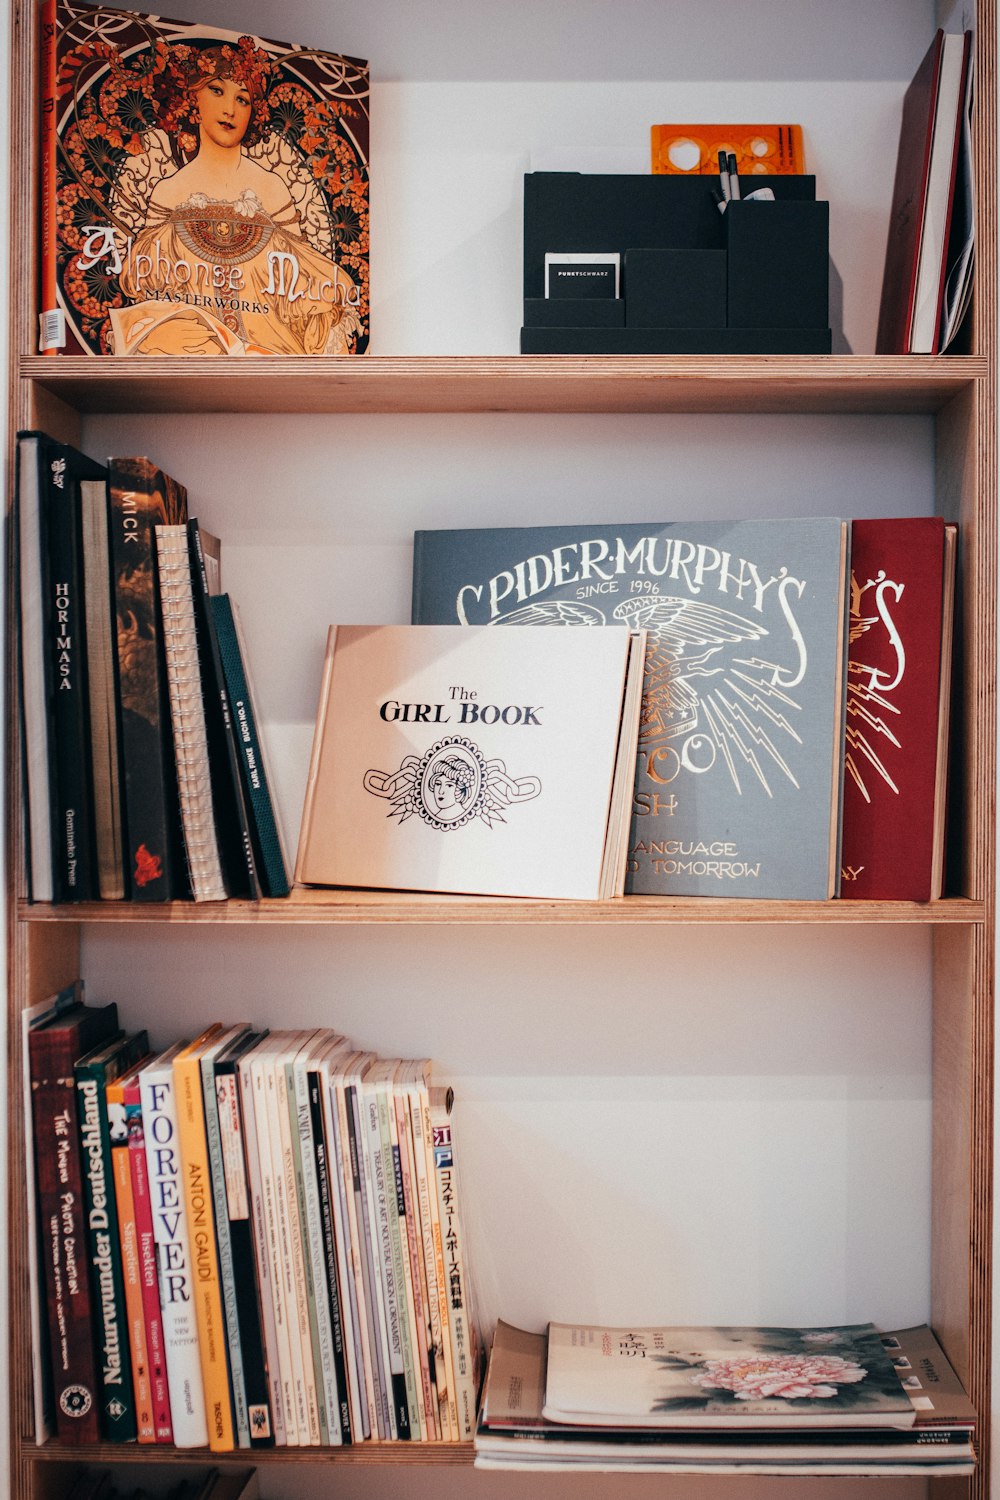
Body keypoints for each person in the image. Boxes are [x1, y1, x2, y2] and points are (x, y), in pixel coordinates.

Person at [112, 38, 360, 355]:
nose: (230, 109)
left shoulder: (272, 189)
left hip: (272, 359)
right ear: (191, 99)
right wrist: (159, 334)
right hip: (191, 359)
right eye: (217, 91)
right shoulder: (169, 191)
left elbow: (305, 289)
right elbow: (147, 295)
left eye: (243, 99)